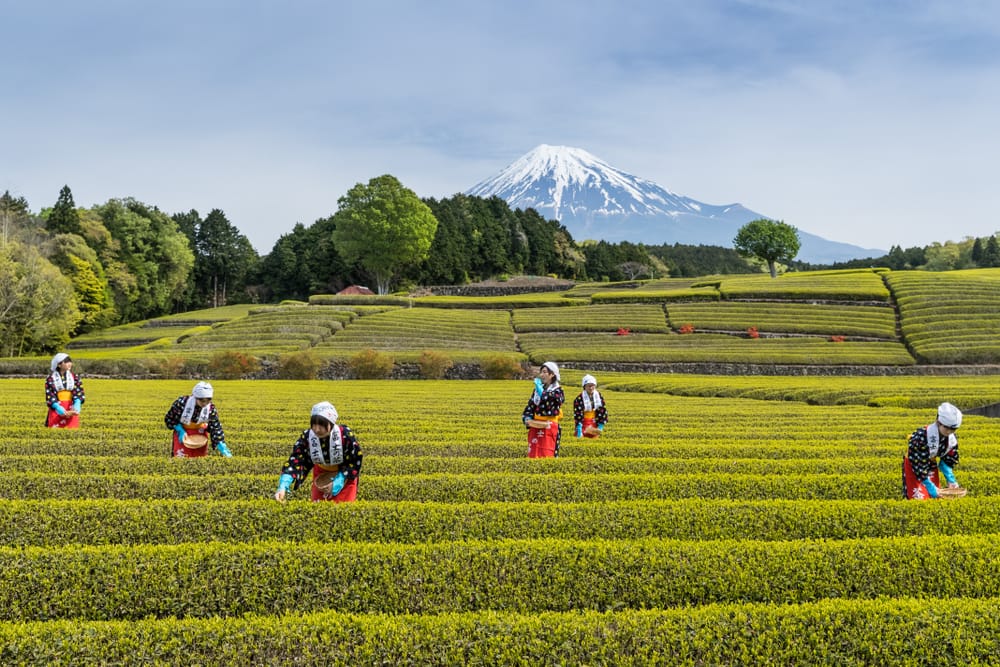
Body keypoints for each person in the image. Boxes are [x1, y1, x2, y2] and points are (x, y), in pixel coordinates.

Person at [274, 401, 363, 503]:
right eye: (314, 424)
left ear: (331, 423)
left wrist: (340, 479)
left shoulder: (344, 434)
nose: (316, 429)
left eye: (321, 424)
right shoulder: (308, 436)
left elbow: (355, 458)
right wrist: (284, 484)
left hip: (345, 476)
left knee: (343, 508)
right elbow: (297, 459)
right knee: (318, 506)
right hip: (321, 476)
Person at [902, 402, 962, 500]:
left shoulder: (951, 438)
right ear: (938, 422)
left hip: (930, 464)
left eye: (953, 429)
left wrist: (950, 479)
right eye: (946, 428)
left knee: (935, 497)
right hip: (915, 465)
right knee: (918, 498)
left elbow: (948, 459)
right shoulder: (921, 437)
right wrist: (929, 485)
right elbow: (918, 464)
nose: (949, 432)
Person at [164, 381, 232, 458]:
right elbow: (169, 418)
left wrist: (220, 442)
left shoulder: (210, 408)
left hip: (200, 434)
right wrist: (179, 428)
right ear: (195, 397)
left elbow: (215, 426)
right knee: (181, 457)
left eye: (208, 400)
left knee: (199, 458)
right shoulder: (182, 403)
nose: (205, 403)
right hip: (183, 433)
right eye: (202, 400)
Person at [521, 361, 565, 458]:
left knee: (547, 454)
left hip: (549, 427)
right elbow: (531, 405)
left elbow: (554, 401)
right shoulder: (537, 390)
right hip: (536, 426)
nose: (542, 375)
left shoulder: (558, 390)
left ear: (552, 374)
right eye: (541, 372)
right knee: (534, 454)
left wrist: (542, 393)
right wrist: (527, 418)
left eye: (545, 372)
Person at [45, 353, 85, 429]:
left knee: (71, 429)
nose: (69, 363)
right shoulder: (50, 378)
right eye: (66, 362)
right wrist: (57, 407)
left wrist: (77, 403)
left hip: (71, 407)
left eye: (70, 361)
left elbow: (78, 391)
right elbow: (50, 394)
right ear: (59, 365)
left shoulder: (75, 377)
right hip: (57, 407)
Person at [573, 373, 609, 438]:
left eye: (593, 386)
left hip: (594, 422)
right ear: (584, 386)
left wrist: (600, 426)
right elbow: (578, 414)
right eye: (589, 386)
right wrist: (579, 429)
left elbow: (602, 410)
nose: (591, 388)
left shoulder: (598, 396)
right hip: (583, 422)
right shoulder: (579, 398)